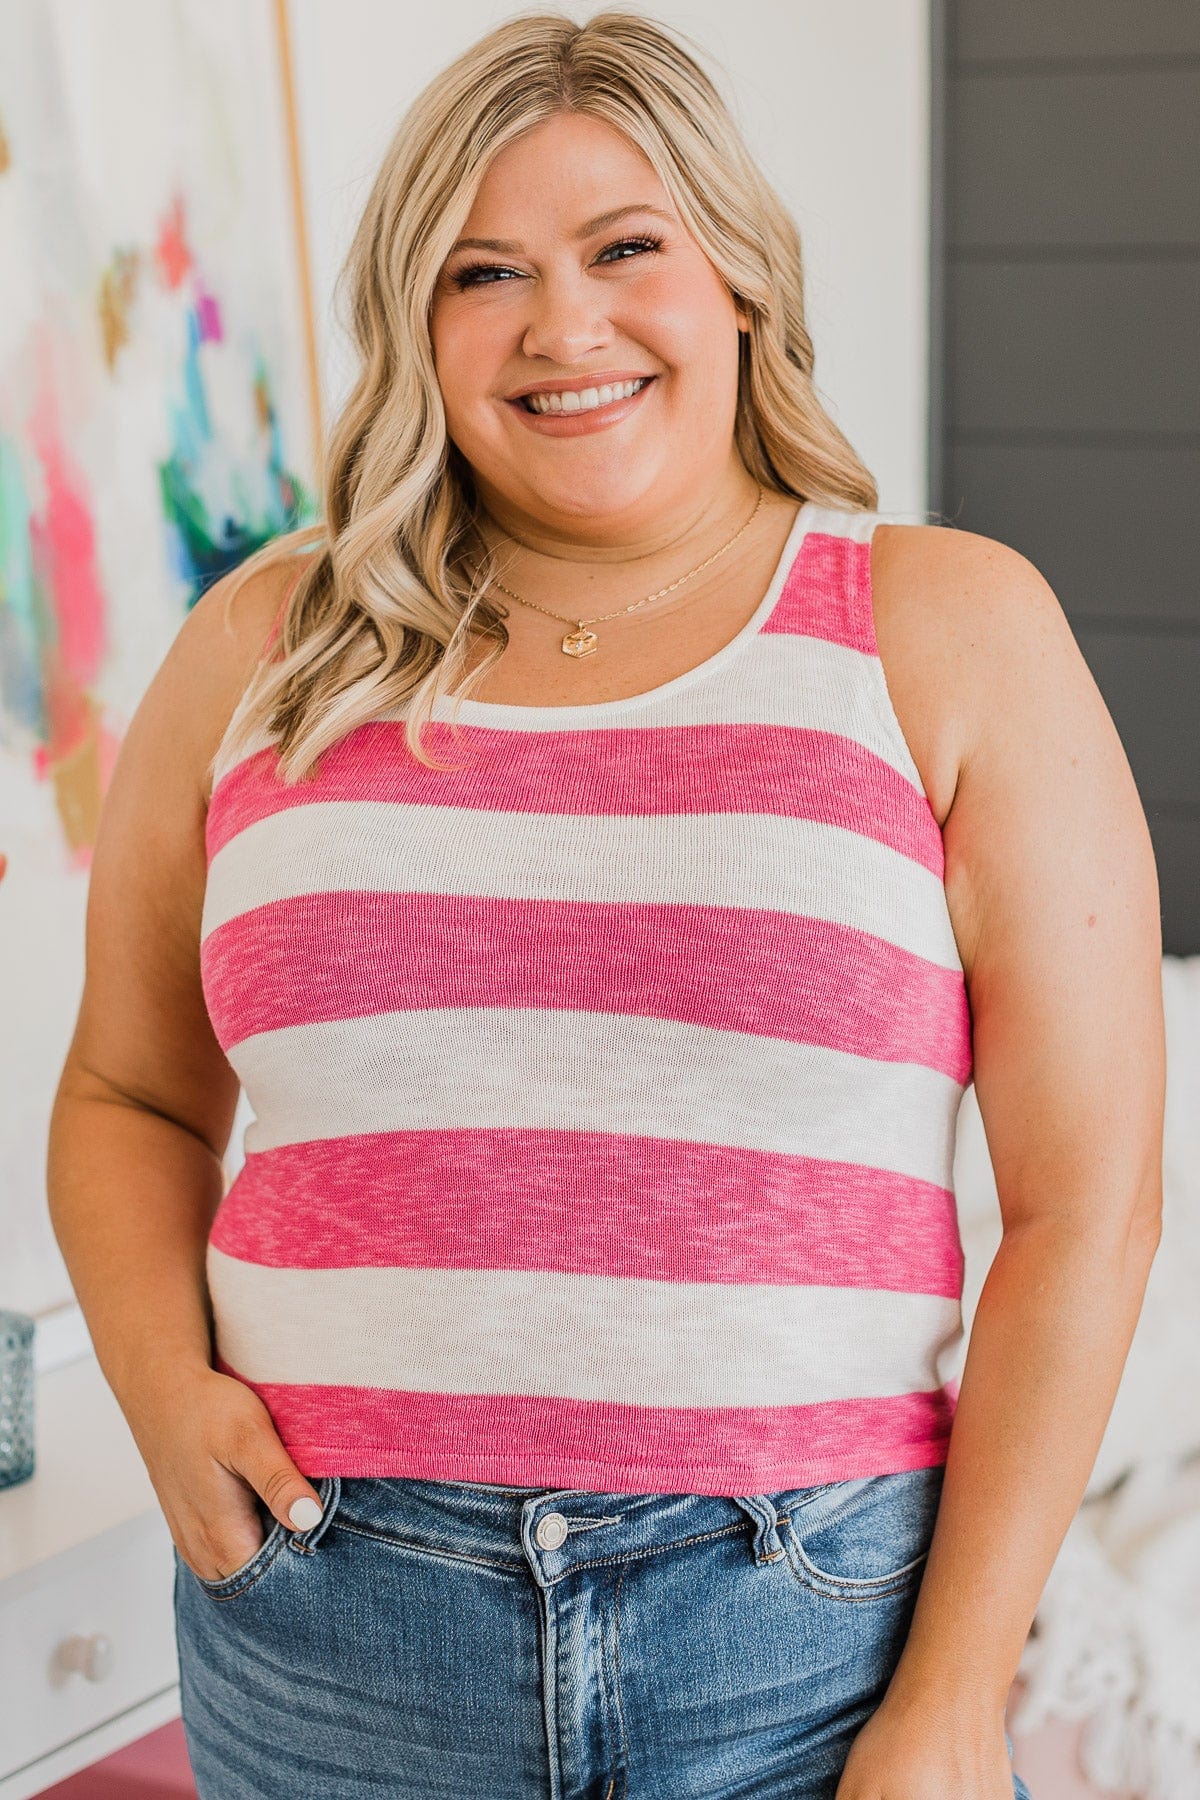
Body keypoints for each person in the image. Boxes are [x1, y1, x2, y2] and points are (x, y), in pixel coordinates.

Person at [47, 11, 1165, 1798]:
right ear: (418, 324)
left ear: (735, 274)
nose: (563, 326)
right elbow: (132, 1095)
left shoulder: (950, 629)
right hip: (329, 1619)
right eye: (483, 270)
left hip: (804, 1633)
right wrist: (161, 1397)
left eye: (625, 246)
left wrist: (955, 1692)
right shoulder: (266, 643)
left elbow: (1085, 1205)